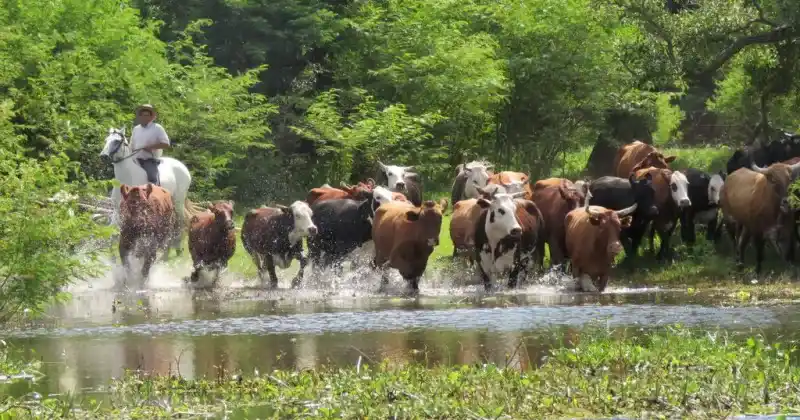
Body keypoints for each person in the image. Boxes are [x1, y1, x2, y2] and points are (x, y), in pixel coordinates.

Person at [130, 104, 171, 186]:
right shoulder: (136, 129)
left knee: (152, 177)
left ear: (151, 117)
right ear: (140, 116)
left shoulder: (157, 128)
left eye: (147, 115)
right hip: (134, 159)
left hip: (149, 159)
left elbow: (166, 144)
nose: (144, 117)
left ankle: (154, 189)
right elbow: (131, 145)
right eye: (142, 115)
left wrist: (151, 147)